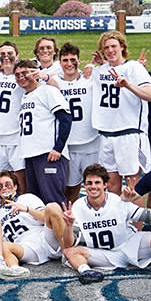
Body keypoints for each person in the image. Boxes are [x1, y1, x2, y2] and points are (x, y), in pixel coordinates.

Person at [90, 31, 151, 193]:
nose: (110, 50)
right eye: (106, 47)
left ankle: (137, 219)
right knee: (111, 186)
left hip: (129, 133)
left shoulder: (134, 68)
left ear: (122, 47)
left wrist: (128, 85)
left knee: (133, 187)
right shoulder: (99, 71)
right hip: (106, 134)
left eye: (114, 46)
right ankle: (119, 219)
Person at [13, 59, 71, 205]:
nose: (21, 77)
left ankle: (63, 229)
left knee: (54, 201)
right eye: (17, 74)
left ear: (35, 72)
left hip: (48, 154)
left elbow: (65, 119)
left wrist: (58, 148)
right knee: (36, 203)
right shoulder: (25, 96)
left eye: (25, 73)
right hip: (30, 154)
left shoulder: (47, 91)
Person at [48, 43, 99, 203]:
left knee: (96, 186)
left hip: (91, 141)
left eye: (72, 59)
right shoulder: (53, 81)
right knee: (70, 189)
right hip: (67, 145)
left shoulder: (90, 77)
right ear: (60, 62)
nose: (69, 63)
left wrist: (96, 65)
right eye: (65, 60)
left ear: (79, 59)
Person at [0, 171, 66, 266]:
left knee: (52, 207)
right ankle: (14, 270)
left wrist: (27, 209)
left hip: (46, 239)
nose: (4, 188)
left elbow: (45, 218)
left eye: (8, 185)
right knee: (3, 246)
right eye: (0, 187)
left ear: (15, 186)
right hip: (26, 248)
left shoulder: (27, 198)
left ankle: (67, 254)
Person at [0, 41, 27, 195]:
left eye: (10, 54)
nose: (6, 57)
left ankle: (24, 210)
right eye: (2, 54)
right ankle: (5, 213)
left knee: (20, 180)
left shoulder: (23, 77)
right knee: (0, 182)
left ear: (17, 56)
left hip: (15, 135)